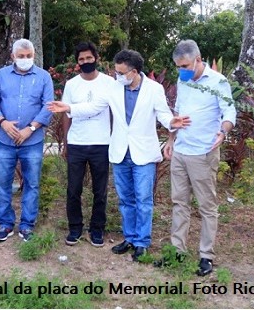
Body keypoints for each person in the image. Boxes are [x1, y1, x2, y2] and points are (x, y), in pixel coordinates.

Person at [47, 49, 190, 261]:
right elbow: (94, 107)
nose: (117, 76)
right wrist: (69, 107)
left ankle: (142, 242)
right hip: (120, 151)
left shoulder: (154, 89)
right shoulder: (113, 88)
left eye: (121, 73)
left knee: (143, 199)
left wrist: (171, 123)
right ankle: (130, 237)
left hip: (143, 152)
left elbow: (162, 114)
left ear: (134, 72)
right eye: (116, 72)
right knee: (125, 199)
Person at [157, 39, 236, 276]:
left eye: (185, 65)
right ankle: (177, 251)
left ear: (198, 60)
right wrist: (171, 140)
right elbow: (178, 113)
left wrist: (223, 131)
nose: (182, 70)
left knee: (206, 206)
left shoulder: (218, 82)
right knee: (179, 202)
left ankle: (206, 256)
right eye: (178, 66)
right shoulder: (184, 81)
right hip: (181, 150)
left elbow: (230, 110)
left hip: (203, 152)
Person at [0, 38, 54, 242]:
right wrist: (3, 122)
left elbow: (48, 105)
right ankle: (5, 224)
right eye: (21, 56)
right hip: (4, 139)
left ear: (34, 56)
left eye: (29, 56)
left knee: (32, 184)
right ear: (13, 56)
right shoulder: (1, 75)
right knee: (2, 183)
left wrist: (30, 128)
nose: (25, 59)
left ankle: (27, 225)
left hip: (31, 141)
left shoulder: (44, 77)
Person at [61, 42, 114, 247]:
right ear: (77, 63)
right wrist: (66, 142)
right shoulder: (71, 84)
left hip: (101, 143)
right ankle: (75, 228)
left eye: (88, 58)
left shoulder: (109, 82)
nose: (85, 62)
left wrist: (113, 137)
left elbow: (113, 112)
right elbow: (66, 114)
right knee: (73, 189)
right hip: (77, 143)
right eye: (81, 59)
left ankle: (97, 229)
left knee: (100, 190)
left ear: (96, 58)